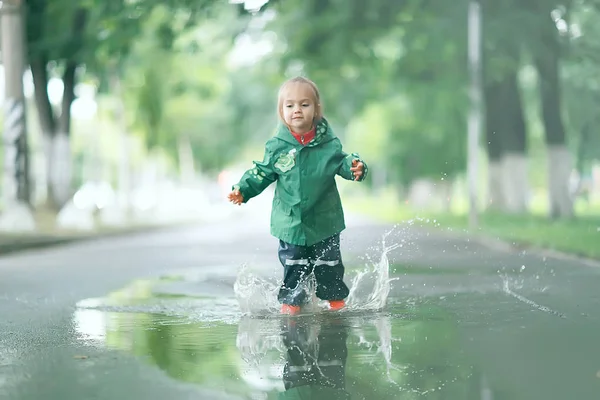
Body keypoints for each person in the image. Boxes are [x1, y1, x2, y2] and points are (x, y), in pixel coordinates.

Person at [227, 76, 368, 315]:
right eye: (290, 105)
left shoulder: (329, 144)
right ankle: (292, 302)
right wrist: (243, 189)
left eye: (304, 104)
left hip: (325, 220)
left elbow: (343, 163)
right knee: (294, 264)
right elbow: (262, 172)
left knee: (329, 264)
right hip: (290, 221)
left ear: (316, 110)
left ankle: (335, 301)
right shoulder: (277, 146)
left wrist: (355, 168)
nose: (297, 110)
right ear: (281, 111)